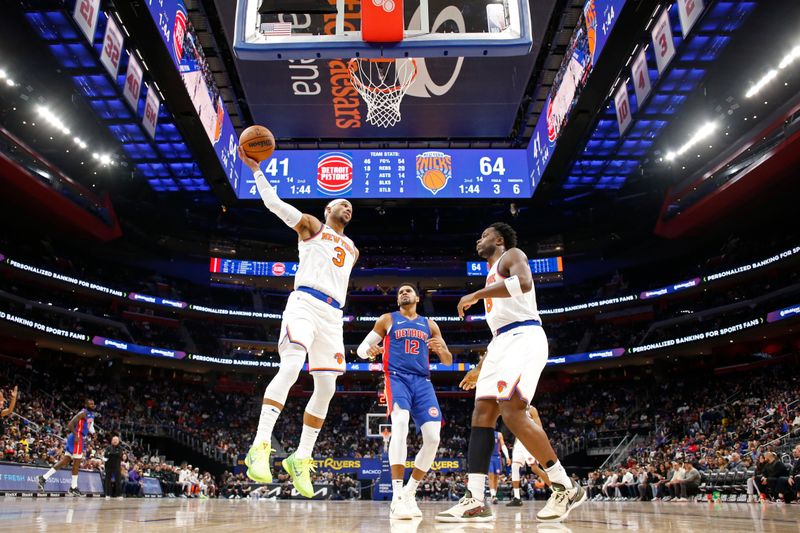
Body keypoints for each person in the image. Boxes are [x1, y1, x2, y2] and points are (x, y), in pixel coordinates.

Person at [437, 223, 586, 523]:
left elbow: (525, 282)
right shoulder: (490, 273)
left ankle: (564, 485)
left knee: (512, 410)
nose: (479, 239)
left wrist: (477, 294)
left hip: (525, 337)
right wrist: (481, 368)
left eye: (484, 235)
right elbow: (498, 334)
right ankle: (475, 499)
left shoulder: (512, 255)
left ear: (499, 240)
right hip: (501, 343)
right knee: (482, 413)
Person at [239, 147, 358, 498]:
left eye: (350, 205)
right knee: (291, 368)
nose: (347, 206)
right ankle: (260, 445)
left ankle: (301, 457)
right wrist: (258, 172)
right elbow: (275, 205)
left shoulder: (352, 248)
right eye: (341, 202)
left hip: (333, 316)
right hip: (305, 302)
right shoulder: (311, 226)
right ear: (327, 209)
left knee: (327, 388)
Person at [357, 284, 453, 519]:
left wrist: (441, 350)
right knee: (400, 423)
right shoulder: (387, 319)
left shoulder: (430, 324)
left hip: (423, 382)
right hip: (396, 378)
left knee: (433, 438)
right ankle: (397, 497)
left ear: (418, 298)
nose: (403, 293)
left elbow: (449, 361)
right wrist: (369, 352)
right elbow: (361, 349)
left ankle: (410, 492)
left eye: (408, 291)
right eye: (400, 291)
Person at [38, 399, 96, 495]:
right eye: (90, 403)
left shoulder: (91, 414)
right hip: (76, 438)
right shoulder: (83, 413)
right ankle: (73, 487)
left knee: (65, 461)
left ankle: (43, 478)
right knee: (77, 462)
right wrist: (76, 435)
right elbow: (70, 424)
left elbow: (90, 426)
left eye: (93, 403)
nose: (92, 405)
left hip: (79, 437)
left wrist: (94, 433)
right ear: (86, 405)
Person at [507, 406, 551, 507]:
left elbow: (539, 427)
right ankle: (517, 498)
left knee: (534, 468)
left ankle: (555, 489)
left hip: (530, 440)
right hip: (519, 442)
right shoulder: (514, 409)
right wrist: (514, 446)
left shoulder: (531, 409)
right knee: (514, 467)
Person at [488, 430, 511, 504]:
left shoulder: (499, 434)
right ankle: (493, 495)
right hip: (489, 457)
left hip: (497, 457)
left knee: (496, 477)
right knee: (491, 475)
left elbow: (503, 445)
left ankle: (494, 495)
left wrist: (507, 457)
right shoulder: (485, 433)